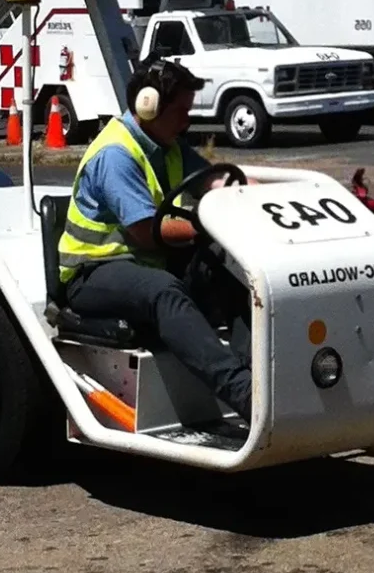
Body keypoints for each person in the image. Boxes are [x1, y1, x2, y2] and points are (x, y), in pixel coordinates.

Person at [56, 58, 253, 421]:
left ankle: (258, 371)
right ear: (149, 106)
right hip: (94, 273)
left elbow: (219, 182)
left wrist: (269, 198)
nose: (187, 120)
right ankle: (241, 391)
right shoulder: (116, 154)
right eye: (180, 110)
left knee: (235, 265)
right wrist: (212, 225)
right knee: (163, 290)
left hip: (147, 267)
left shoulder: (169, 145)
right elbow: (147, 233)